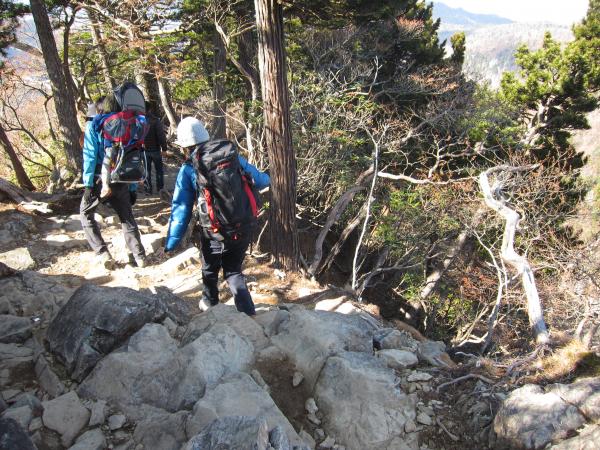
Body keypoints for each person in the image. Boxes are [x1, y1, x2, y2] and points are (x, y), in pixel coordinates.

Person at [164, 117, 269, 315]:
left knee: (210, 268)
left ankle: (210, 304)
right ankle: (248, 314)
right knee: (233, 271)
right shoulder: (231, 157)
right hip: (244, 224)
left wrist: (171, 242)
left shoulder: (189, 168)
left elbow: (181, 208)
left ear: (185, 145)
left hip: (214, 231)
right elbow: (263, 181)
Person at [80, 94, 147, 269]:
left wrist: (88, 184)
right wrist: (132, 187)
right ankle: (140, 256)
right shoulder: (126, 125)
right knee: (126, 216)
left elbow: (90, 156)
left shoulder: (94, 125)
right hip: (122, 179)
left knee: (85, 214)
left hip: (98, 179)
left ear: (98, 109)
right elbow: (131, 158)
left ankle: (102, 253)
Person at [142, 101, 168, 196]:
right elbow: (161, 136)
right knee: (159, 170)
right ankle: (160, 189)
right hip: (156, 149)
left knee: (147, 171)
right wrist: (164, 149)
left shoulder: (139, 120)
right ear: (150, 109)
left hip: (144, 150)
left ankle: (148, 190)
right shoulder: (155, 121)